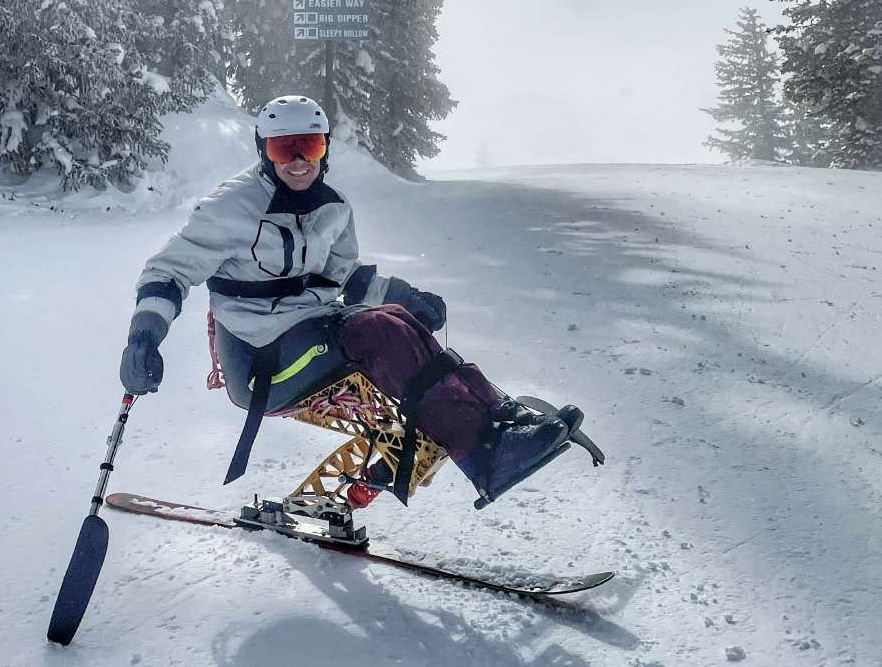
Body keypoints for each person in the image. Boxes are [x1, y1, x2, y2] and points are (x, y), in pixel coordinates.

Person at [119, 94, 585, 509]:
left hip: (312, 330)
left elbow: (343, 275)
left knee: (399, 319)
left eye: (311, 146)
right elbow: (167, 272)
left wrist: (408, 297)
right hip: (262, 361)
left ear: (325, 149)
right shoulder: (230, 208)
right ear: (264, 151)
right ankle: (485, 456)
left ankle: (501, 423)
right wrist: (144, 338)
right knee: (381, 332)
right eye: (285, 148)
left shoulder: (334, 206)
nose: (299, 161)